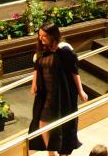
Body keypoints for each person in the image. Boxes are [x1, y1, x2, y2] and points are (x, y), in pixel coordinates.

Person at [29, 23, 88, 155]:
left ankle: (64, 151)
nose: (41, 38)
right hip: (46, 93)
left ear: (52, 36)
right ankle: (51, 152)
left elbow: (74, 71)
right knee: (42, 122)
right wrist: (34, 84)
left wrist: (80, 90)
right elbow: (37, 68)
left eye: (44, 36)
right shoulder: (41, 51)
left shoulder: (63, 50)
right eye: (39, 35)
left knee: (63, 123)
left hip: (62, 93)